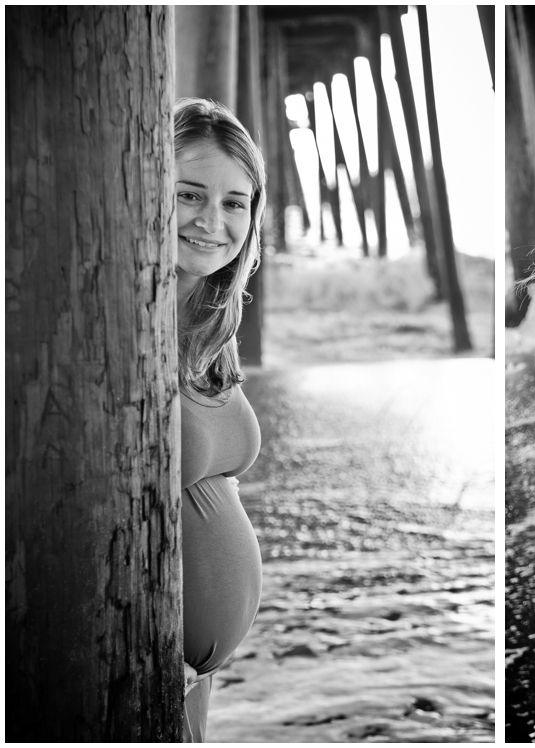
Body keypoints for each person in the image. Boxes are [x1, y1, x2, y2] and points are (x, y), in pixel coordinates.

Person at [173, 97, 267, 742]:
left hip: (187, 678)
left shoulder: (209, 324)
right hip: (119, 656)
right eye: (189, 195)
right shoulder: (111, 330)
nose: (214, 221)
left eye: (235, 202)